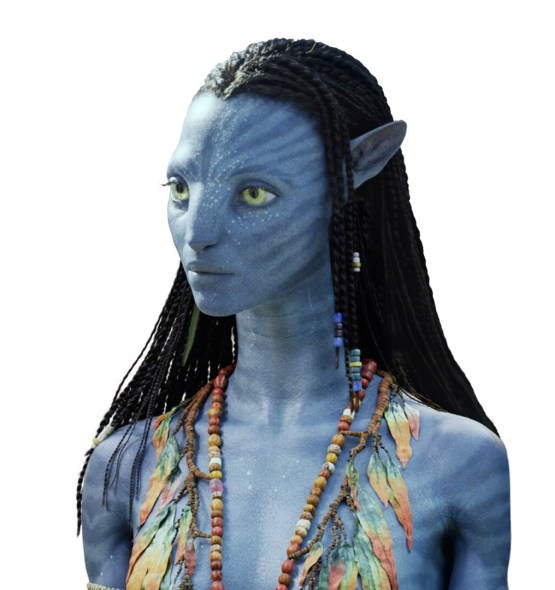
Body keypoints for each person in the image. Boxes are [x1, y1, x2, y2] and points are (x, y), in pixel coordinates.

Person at [79, 39, 510, 590]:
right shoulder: (122, 470)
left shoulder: (458, 465)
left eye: (253, 194)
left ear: (354, 173)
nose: (198, 233)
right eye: (181, 188)